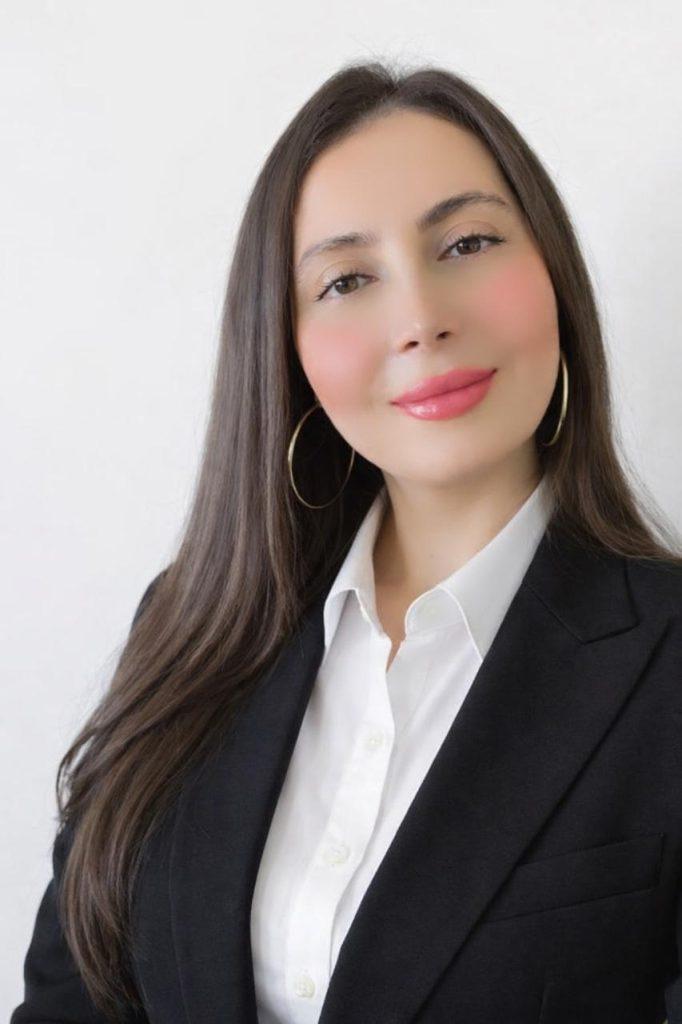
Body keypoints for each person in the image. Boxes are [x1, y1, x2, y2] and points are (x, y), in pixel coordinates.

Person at [11, 59, 682, 1024]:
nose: (421, 320)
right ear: (286, 348)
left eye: (468, 242)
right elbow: (74, 995)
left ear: (555, 278)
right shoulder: (196, 622)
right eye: (347, 279)